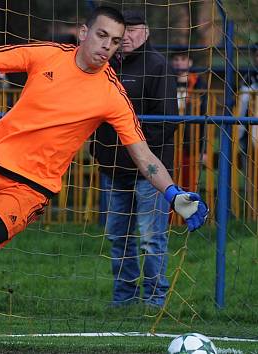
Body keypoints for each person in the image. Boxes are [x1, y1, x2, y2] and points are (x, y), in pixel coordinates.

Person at [0, 6, 208, 339]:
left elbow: (143, 155)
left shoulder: (113, 94)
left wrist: (172, 193)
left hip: (27, 189)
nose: (107, 46)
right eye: (102, 36)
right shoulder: (47, 54)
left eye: (115, 41)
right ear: (84, 33)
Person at [89, 10, 178, 307]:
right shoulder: (105, 65)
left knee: (151, 239)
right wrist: (98, 148)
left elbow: (166, 122)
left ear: (147, 32)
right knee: (118, 238)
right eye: (121, 31)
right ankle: (123, 299)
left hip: (149, 171)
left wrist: (135, 148)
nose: (126, 37)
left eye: (133, 30)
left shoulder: (158, 66)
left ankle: (155, 299)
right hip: (113, 168)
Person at [171, 51, 208, 190]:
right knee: (168, 182)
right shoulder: (166, 81)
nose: (179, 62)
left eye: (183, 59)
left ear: (190, 62)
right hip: (170, 141)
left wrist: (202, 150)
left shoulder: (199, 83)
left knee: (188, 183)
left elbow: (204, 116)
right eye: (176, 59)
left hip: (190, 143)